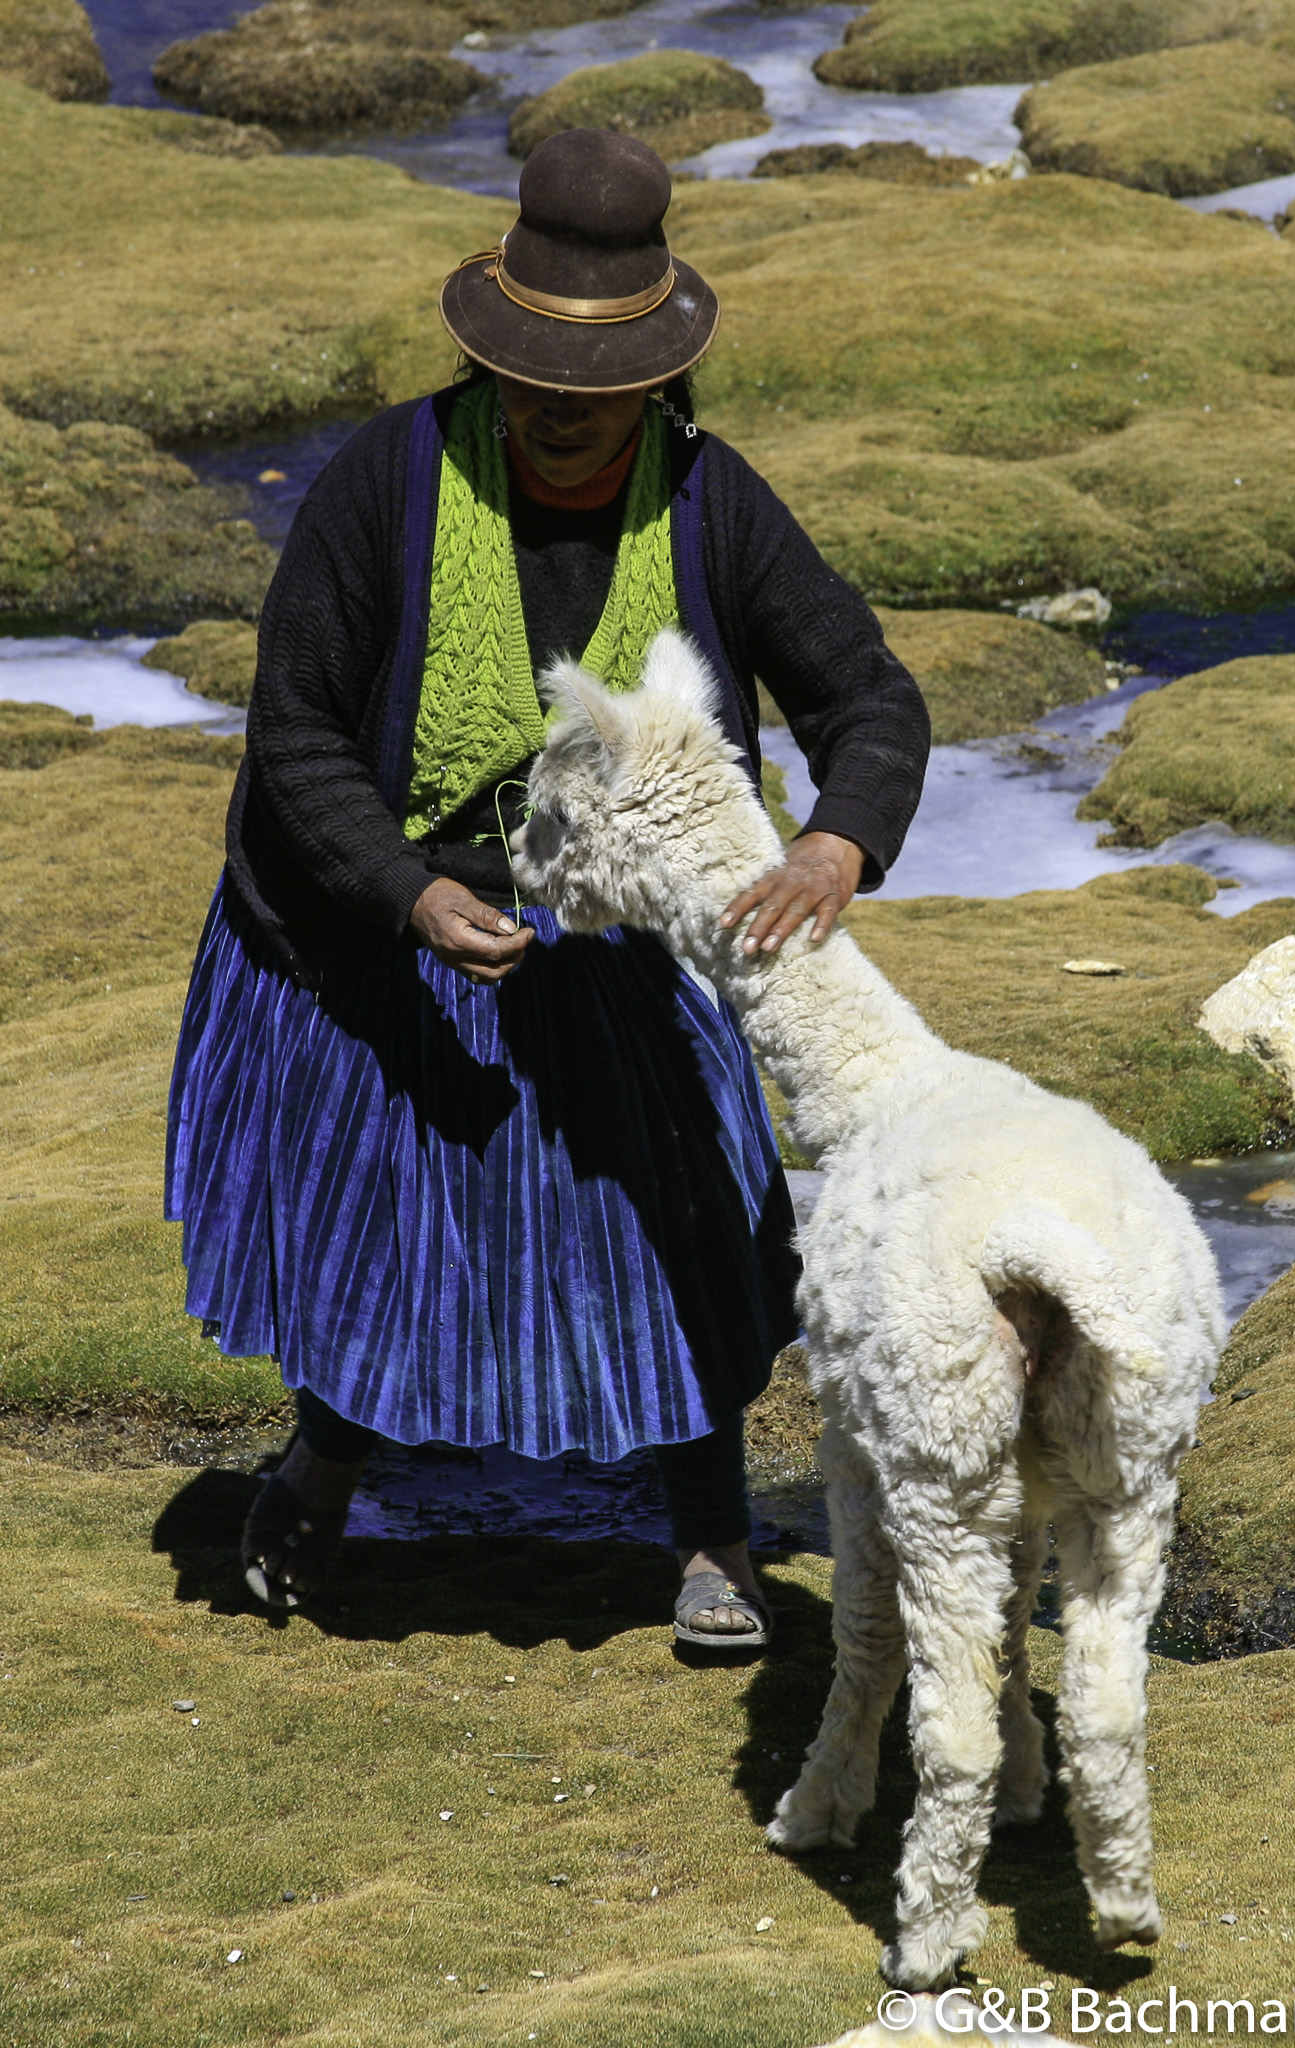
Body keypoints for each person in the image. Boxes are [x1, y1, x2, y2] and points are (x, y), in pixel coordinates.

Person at [165, 126, 930, 1647]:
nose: (556, 416)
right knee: (373, 1234)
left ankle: (709, 1534)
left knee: (682, 1223)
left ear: (653, 377)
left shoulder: (711, 505)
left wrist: (838, 838)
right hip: (375, 921)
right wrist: (406, 892)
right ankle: (319, 1480)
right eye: (531, 385)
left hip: (614, 927)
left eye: (590, 394)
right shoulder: (384, 484)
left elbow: (868, 696)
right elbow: (298, 728)